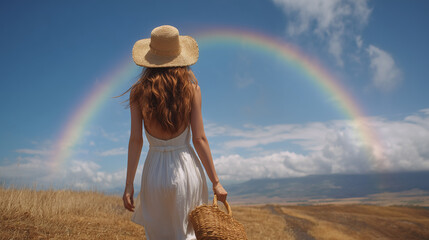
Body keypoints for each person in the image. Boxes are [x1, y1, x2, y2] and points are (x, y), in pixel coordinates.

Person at [121, 25, 228, 239]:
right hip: (186, 168)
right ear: (179, 56)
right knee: (188, 234)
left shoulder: (138, 92)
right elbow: (199, 138)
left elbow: (135, 140)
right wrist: (216, 182)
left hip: (153, 173)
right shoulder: (191, 89)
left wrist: (128, 185)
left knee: (158, 234)